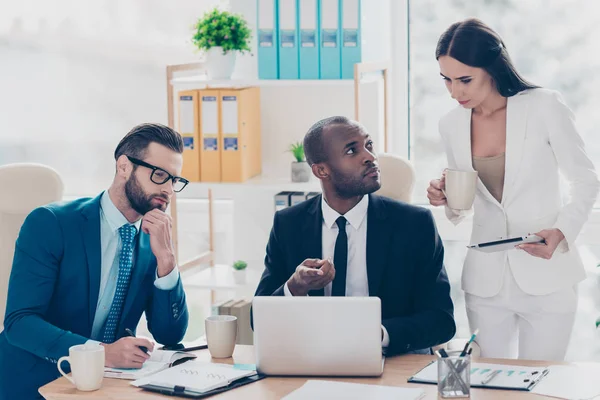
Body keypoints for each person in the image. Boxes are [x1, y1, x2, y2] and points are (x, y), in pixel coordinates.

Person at [427, 18, 600, 361]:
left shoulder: (544, 106)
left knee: (542, 385)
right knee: (490, 387)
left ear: (492, 68)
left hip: (547, 276)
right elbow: (463, 208)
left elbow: (585, 179)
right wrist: (445, 197)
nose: (454, 92)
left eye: (465, 80)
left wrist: (562, 231)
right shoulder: (450, 124)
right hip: (486, 282)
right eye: (446, 80)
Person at [0, 123, 190, 399]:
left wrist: (167, 260)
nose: (169, 190)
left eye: (175, 180)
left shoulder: (153, 240)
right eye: (160, 175)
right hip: (35, 382)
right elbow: (20, 323)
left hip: (106, 386)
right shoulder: (52, 223)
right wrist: (102, 352)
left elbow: (169, 334)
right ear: (124, 166)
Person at [254, 116, 456, 356]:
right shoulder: (288, 224)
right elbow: (258, 320)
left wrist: (377, 335)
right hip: (313, 359)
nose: (370, 157)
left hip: (391, 360)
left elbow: (441, 320)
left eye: (369, 145)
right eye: (352, 150)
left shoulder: (414, 224)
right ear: (321, 170)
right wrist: (295, 287)